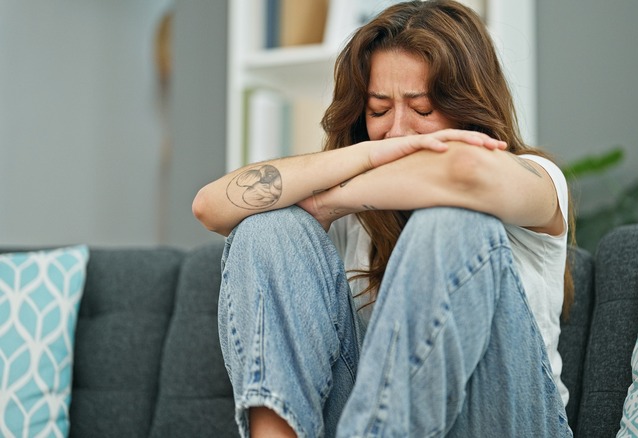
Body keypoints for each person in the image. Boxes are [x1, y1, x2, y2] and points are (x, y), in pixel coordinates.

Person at [193, 1, 574, 436]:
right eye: (378, 110)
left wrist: (329, 202)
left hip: (504, 419)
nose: (398, 131)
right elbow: (211, 206)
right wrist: (367, 155)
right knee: (270, 227)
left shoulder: (537, 179)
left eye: (423, 109)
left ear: (467, 106)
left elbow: (465, 170)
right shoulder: (360, 207)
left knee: (453, 223)